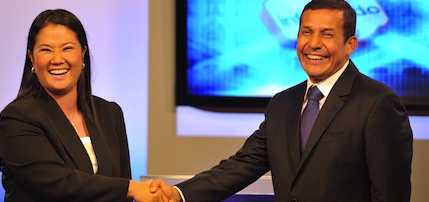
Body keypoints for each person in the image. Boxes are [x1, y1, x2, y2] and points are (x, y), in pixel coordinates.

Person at [153, 0, 413, 201]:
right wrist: (179, 194)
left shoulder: (378, 103)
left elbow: (389, 193)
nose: (313, 43)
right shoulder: (282, 103)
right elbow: (244, 164)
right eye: (306, 32)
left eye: (327, 34)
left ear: (350, 44)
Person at [0, 9, 169, 202]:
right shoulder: (17, 118)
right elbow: (61, 183)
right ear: (31, 57)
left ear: (83, 53)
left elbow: (122, 192)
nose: (57, 59)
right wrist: (132, 188)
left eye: (67, 48)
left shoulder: (110, 113)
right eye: (46, 50)